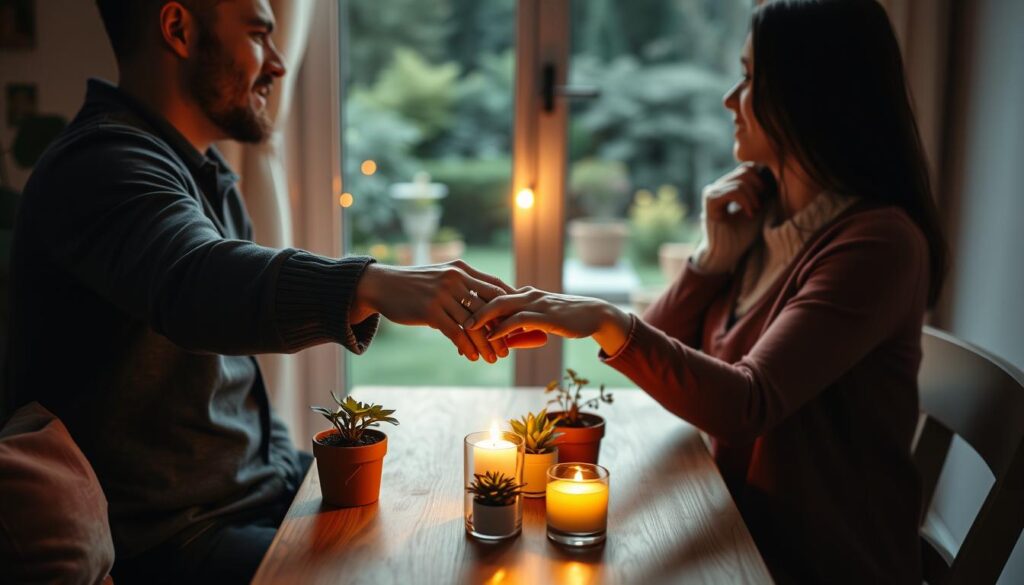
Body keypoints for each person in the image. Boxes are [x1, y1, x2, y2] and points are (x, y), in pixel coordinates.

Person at [5, 0, 539, 582]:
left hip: (256, 500)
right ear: (178, 29)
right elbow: (195, 281)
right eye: (260, 33)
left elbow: (237, 391)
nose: (279, 64)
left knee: (462, 529)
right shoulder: (99, 166)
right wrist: (372, 282)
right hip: (179, 538)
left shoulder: (204, 177)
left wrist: (299, 470)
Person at [466, 1, 946, 582]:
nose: (729, 99)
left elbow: (745, 405)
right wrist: (709, 260)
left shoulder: (877, 245)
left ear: (810, 94)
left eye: (749, 79)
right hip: (736, 527)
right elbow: (666, 348)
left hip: (814, 562)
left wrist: (601, 318)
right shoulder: (759, 221)